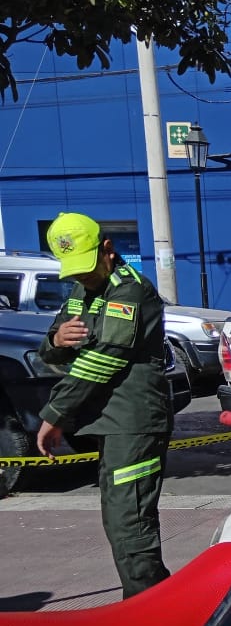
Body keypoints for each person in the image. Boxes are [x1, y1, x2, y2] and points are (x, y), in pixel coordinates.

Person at [37, 213, 172, 597]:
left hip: (134, 421)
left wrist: (54, 415)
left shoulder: (130, 291)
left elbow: (103, 359)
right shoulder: (83, 292)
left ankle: (150, 614)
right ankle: (155, 607)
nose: (81, 277)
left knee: (131, 522)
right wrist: (58, 339)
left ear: (108, 250)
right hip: (108, 422)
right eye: (74, 270)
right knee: (120, 520)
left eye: (86, 266)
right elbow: (55, 351)